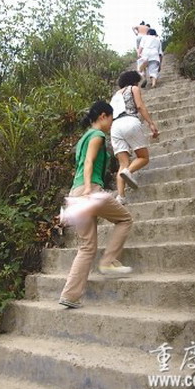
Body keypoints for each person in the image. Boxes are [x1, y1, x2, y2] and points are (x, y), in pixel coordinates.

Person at [59, 101, 133, 309]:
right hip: (89, 190)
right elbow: (90, 162)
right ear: (103, 116)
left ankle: (70, 295)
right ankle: (108, 261)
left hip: (75, 192)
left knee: (87, 247)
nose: (111, 124)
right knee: (125, 219)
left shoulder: (82, 139)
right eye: (111, 119)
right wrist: (90, 189)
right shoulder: (97, 136)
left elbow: (81, 164)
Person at [110, 71, 159, 205]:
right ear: (134, 81)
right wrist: (151, 123)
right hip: (129, 121)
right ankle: (128, 171)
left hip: (115, 127)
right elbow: (139, 106)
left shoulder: (115, 95)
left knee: (123, 163)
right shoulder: (134, 88)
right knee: (143, 158)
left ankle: (121, 197)